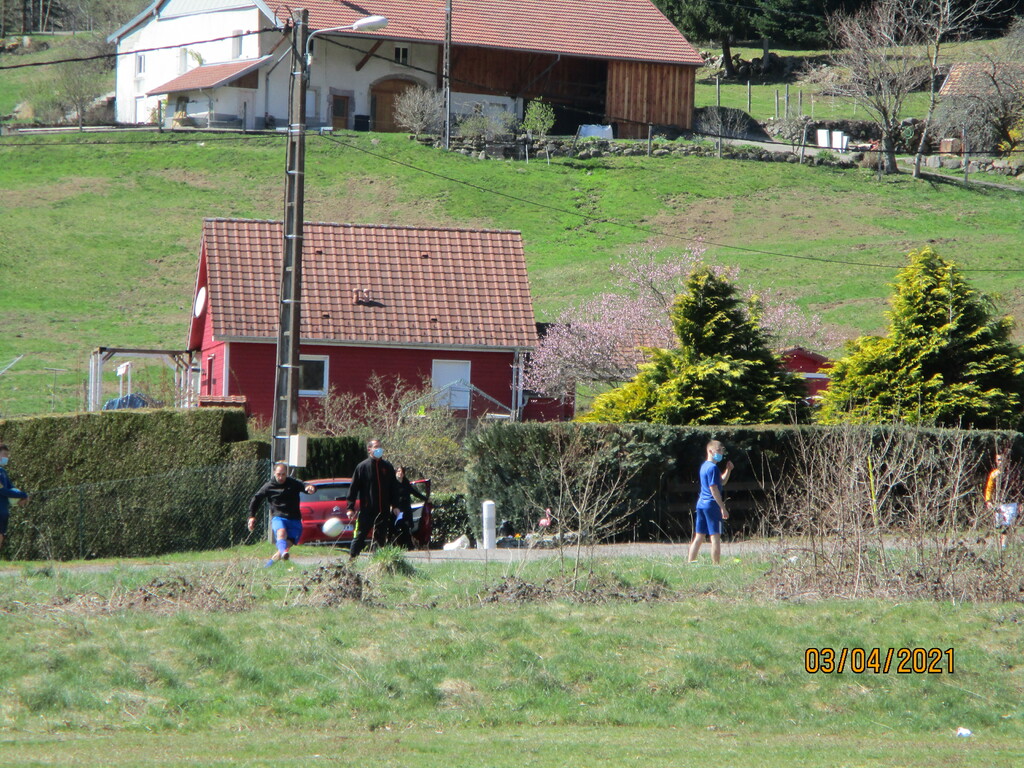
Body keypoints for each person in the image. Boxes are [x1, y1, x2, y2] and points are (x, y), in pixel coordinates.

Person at [248, 461, 316, 567]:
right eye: (278, 474)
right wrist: (252, 516)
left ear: (286, 473)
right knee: (281, 533)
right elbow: (256, 499)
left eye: (283, 474)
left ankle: (268, 566)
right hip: (278, 517)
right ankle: (283, 552)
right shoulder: (269, 486)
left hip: (295, 519)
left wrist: (310, 488)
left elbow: (305, 486)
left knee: (284, 547)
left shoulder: (293, 483)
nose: (281, 477)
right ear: (274, 473)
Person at [347, 439, 400, 559]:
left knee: (381, 538)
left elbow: (394, 488)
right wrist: (350, 507)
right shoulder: (362, 467)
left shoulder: (387, 467)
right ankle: (352, 560)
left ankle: (378, 562)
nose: (379, 449)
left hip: (383, 510)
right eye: (376, 447)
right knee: (360, 536)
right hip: (367, 510)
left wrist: (395, 505)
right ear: (369, 449)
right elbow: (353, 488)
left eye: (380, 446)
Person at [688, 439, 734, 565]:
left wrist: (728, 470)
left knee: (699, 536)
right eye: (718, 450)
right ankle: (716, 565)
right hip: (712, 505)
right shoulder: (712, 468)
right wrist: (722, 508)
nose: (720, 453)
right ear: (710, 451)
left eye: (722, 451)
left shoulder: (705, 466)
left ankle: (690, 562)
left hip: (701, 504)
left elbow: (722, 482)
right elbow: (714, 489)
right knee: (715, 537)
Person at [0, 444, 29, 553]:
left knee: (1, 535)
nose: (7, 457)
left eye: (7, 455)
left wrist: (22, 496)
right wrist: (23, 495)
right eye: (5, 454)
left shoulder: (3, 472)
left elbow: (11, 488)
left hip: (3, 511)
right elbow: (2, 490)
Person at [985, 451, 1016, 549]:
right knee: (998, 526)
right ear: (996, 461)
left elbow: (1019, 487)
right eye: (999, 460)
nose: (1001, 462)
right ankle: (1000, 547)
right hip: (999, 503)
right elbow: (989, 488)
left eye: (1003, 459)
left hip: (1011, 503)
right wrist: (988, 501)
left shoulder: (1013, 473)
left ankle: (1004, 546)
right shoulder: (994, 474)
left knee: (1007, 525)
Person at [392, 466, 428, 549]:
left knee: (407, 527)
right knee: (397, 528)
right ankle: (398, 545)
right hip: (397, 509)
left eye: (402, 472)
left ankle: (409, 546)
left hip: (406, 508)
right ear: (395, 472)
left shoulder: (406, 482)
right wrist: (393, 506)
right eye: (399, 471)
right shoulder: (393, 484)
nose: (400, 473)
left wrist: (425, 499)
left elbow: (414, 492)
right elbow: (389, 497)